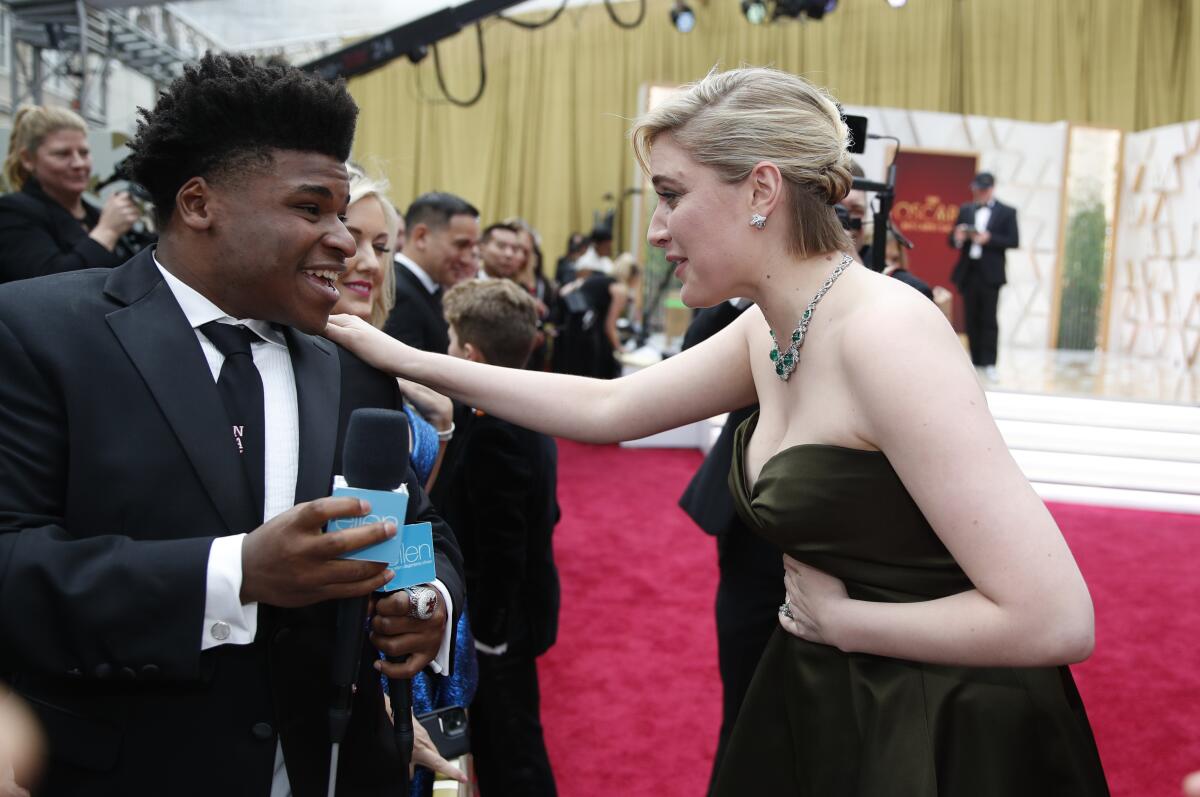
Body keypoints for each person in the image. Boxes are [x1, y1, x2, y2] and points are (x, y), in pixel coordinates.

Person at [325, 66, 1109, 796]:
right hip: (828, 685)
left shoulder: (886, 333)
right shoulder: (772, 328)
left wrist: (843, 622)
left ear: (761, 188)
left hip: (945, 726)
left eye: (672, 193)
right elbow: (606, 410)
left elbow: (1057, 617)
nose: (658, 228)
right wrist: (404, 358)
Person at [0, 53, 465, 795]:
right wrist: (236, 574)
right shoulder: (38, 331)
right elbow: (13, 565)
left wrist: (422, 598)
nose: (345, 240)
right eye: (311, 209)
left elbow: (412, 520)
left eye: (343, 213)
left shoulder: (350, 361)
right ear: (198, 203)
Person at [327, 165, 473, 793]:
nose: (366, 261)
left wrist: (424, 595)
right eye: (350, 239)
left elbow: (411, 520)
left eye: (380, 247)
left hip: (408, 627)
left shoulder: (376, 361)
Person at [440, 279, 561, 797]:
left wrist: (487, 634)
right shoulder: (526, 406)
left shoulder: (495, 430)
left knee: (510, 750)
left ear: (469, 353)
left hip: (501, 627)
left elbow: (501, 546)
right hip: (514, 613)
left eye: (448, 341)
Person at [676, 298, 779, 796]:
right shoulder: (748, 306)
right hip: (748, 526)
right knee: (743, 701)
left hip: (834, 541)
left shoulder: (883, 298)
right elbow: (689, 363)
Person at [0, 105, 142, 283]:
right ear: (28, 159)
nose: (79, 164)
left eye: (84, 153)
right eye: (62, 154)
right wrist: (107, 232)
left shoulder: (98, 215)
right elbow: (48, 284)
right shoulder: (12, 212)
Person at [383, 192, 480, 354]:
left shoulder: (427, 288)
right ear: (421, 237)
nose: (467, 259)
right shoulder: (398, 292)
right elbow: (403, 373)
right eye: (461, 245)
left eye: (472, 247)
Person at [949, 171, 1019, 380]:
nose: (979, 193)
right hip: (969, 271)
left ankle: (989, 362)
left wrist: (989, 239)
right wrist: (959, 237)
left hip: (991, 272)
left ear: (991, 189)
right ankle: (974, 360)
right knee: (970, 318)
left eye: (983, 189)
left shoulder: (1007, 212)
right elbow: (952, 240)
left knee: (989, 318)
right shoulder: (966, 209)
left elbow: (1013, 240)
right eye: (977, 189)